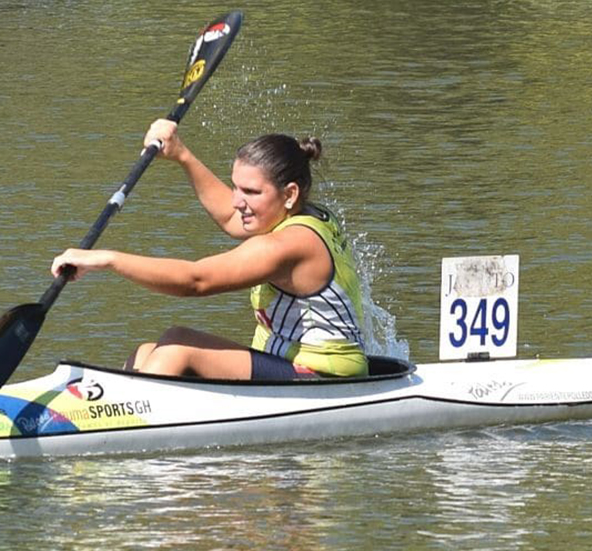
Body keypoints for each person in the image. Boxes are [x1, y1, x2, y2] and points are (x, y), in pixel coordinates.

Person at [50, 119, 367, 379]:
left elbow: (195, 281)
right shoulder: (307, 213)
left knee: (177, 346)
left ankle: (120, 427)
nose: (236, 201)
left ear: (289, 194)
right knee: (147, 352)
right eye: (235, 187)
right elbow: (231, 218)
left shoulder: (289, 245)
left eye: (251, 192)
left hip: (325, 376)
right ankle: (113, 413)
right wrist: (181, 155)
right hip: (285, 363)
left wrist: (107, 259)